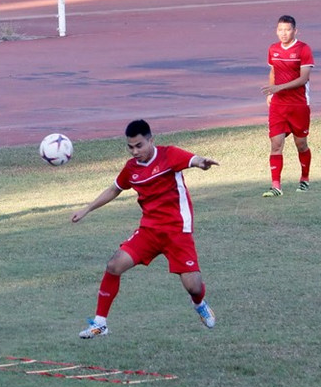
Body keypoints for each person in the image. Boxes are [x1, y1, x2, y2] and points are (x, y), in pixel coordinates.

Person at [71, 120, 219, 339]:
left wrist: (201, 162)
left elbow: (193, 159)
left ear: (151, 141)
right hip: (149, 231)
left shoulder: (169, 155)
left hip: (177, 231)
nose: (135, 151)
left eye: (139, 146)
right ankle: (100, 323)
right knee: (114, 265)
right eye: (130, 147)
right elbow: (114, 189)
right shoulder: (131, 168)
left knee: (194, 287)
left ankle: (199, 304)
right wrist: (87, 209)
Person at [260, 15, 314, 197]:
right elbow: (273, 71)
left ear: (295, 31)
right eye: (280, 30)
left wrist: (279, 88)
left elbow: (303, 78)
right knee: (276, 144)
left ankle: (304, 179)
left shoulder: (303, 49)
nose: (283, 33)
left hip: (298, 104)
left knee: (301, 144)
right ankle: (276, 186)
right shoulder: (273, 49)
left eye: (287, 30)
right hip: (278, 105)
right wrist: (271, 93)